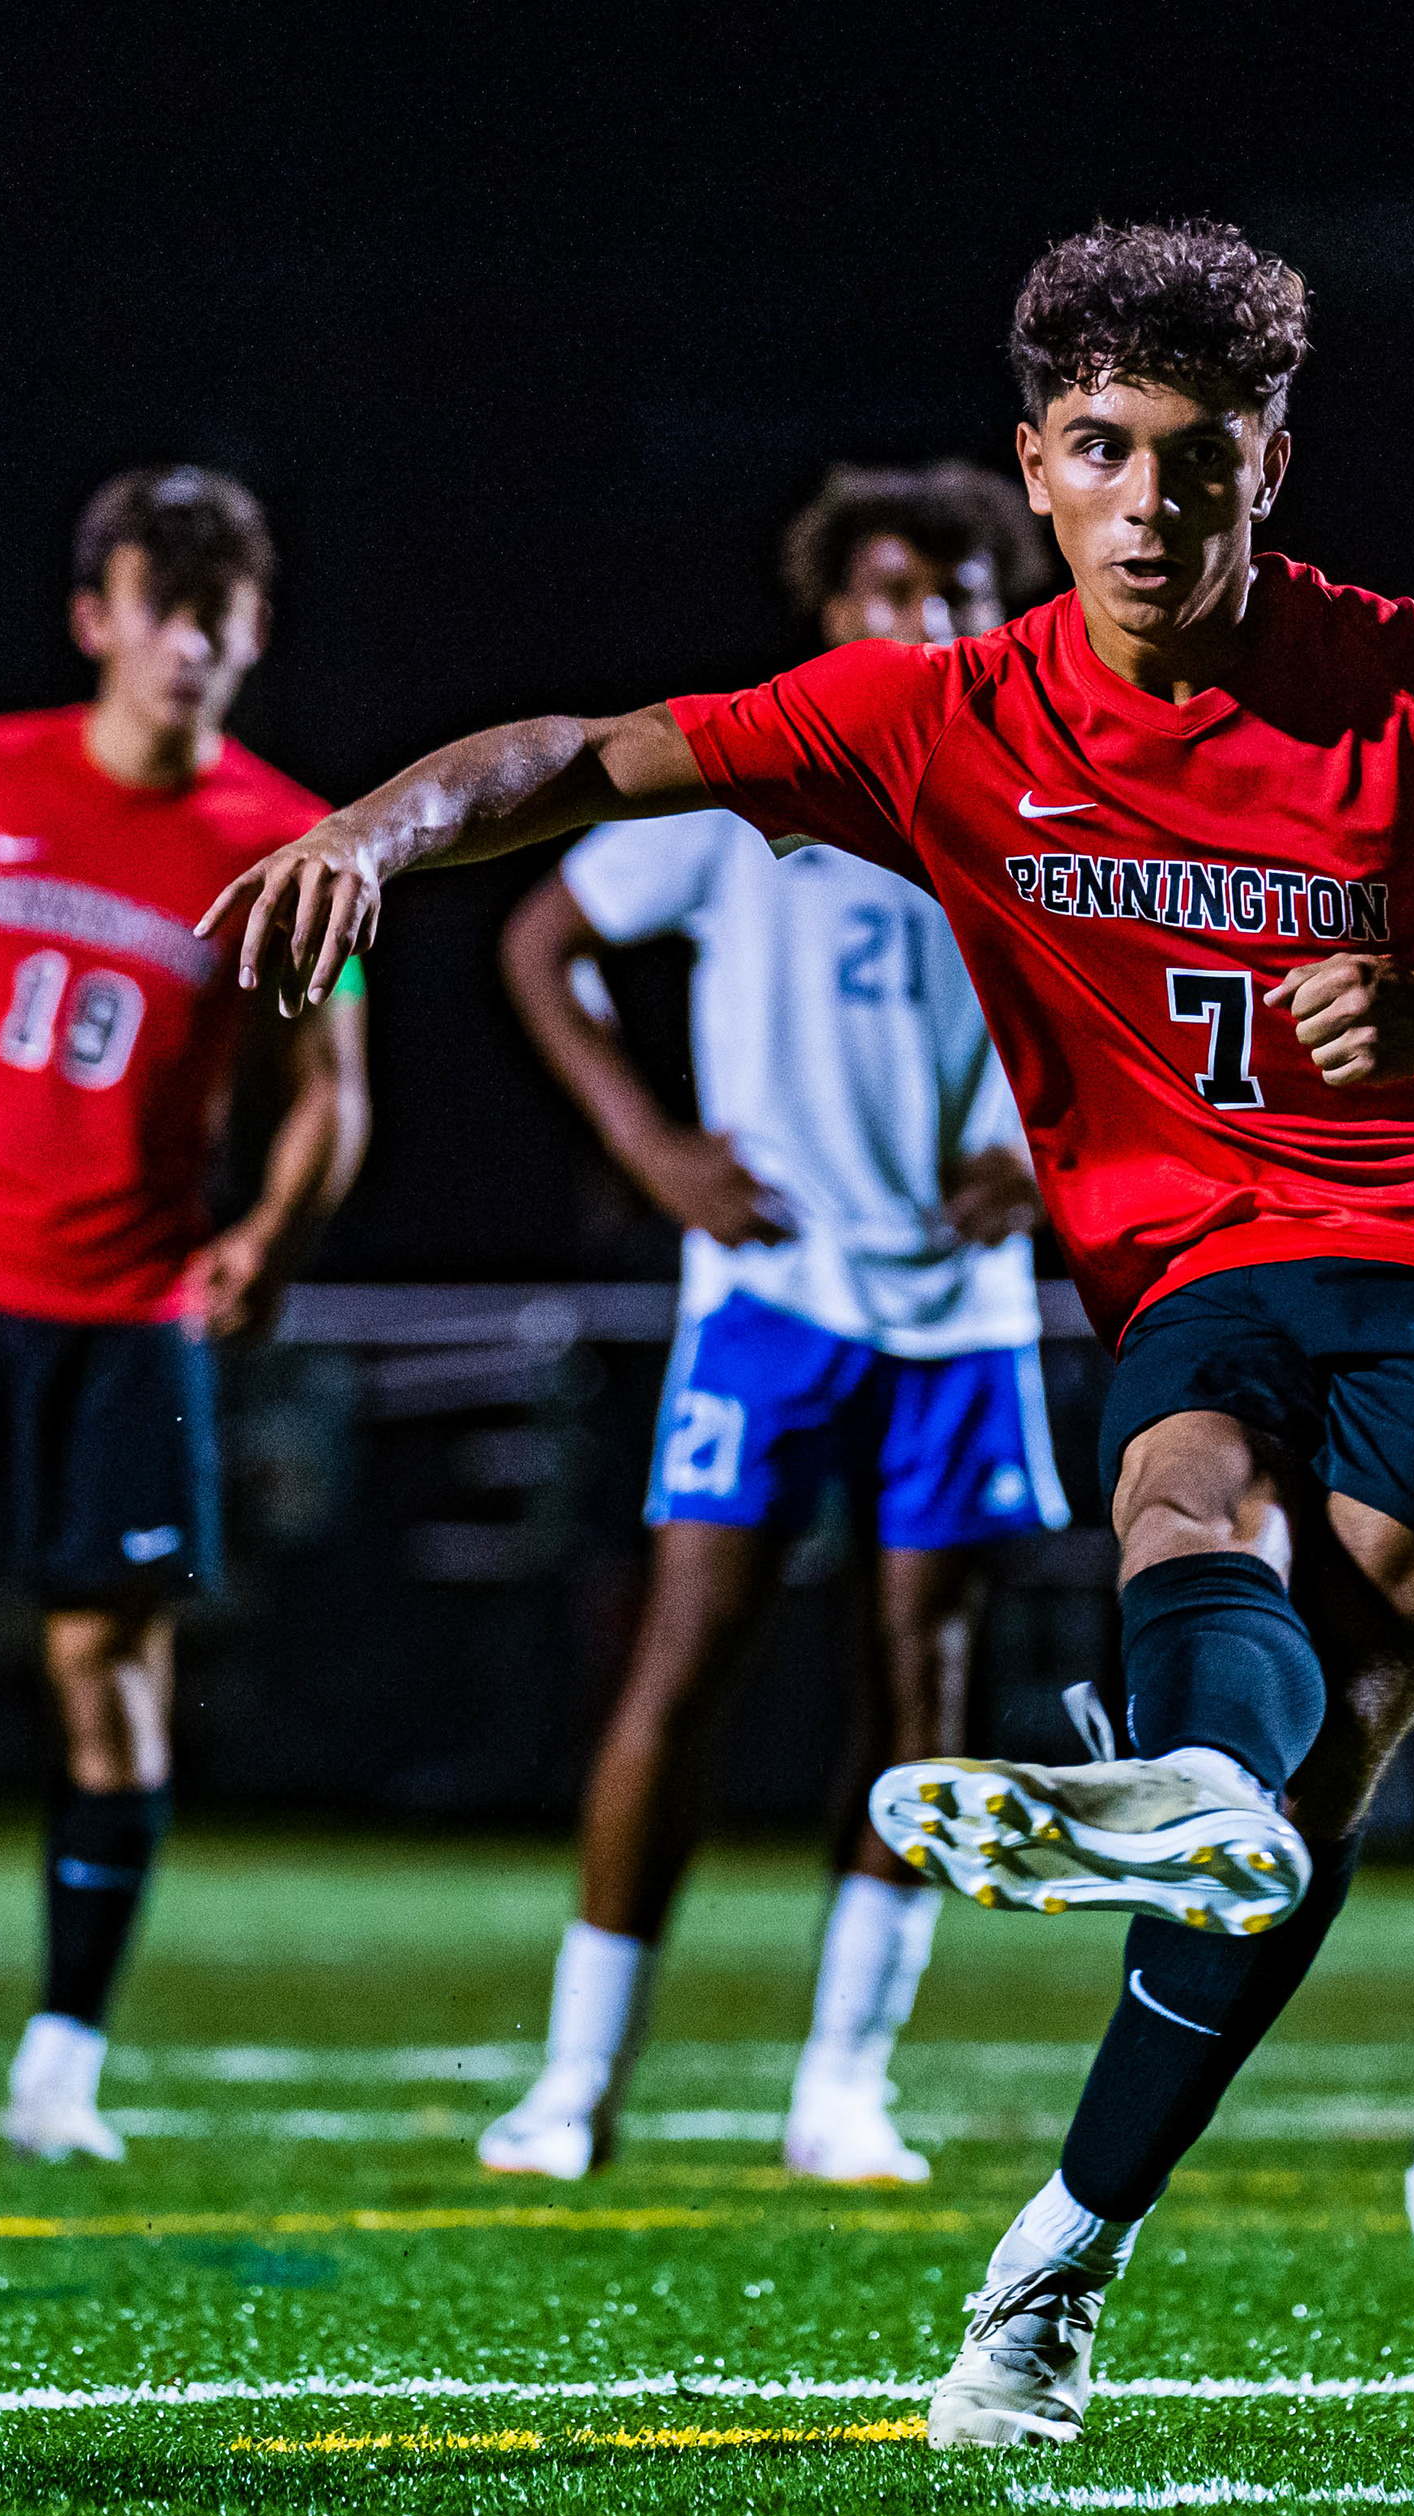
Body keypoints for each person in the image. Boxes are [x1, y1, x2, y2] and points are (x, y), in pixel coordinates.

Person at [204, 217, 1414, 2446]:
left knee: (1330, 1715)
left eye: (1202, 455)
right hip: (1211, 1262)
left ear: (1273, 464)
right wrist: (369, 831)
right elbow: (586, 759)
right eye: (1105, 449)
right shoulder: (947, 717)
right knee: (1183, 1508)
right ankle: (1172, 1827)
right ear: (1035, 468)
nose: (1154, 501)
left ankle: (1062, 2242)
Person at [0, 468, 369, 2165]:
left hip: (125, 1312)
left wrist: (276, 1232)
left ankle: (61, 2066)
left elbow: (332, 1089)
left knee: (106, 1679)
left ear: (254, 632)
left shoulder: (288, 839)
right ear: (97, 619)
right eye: (162, 609)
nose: (190, 644)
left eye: (219, 615)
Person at [479, 461, 1063, 2188]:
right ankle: (578, 2084)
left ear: (1001, 612)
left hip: (962, 1314)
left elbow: (1144, 1017)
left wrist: (1051, 1162)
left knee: (925, 1688)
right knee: (686, 1661)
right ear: (828, 614)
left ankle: (843, 2087)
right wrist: (653, 1148)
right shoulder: (752, 783)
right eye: (886, 590)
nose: (921, 620)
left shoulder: (1051, 801)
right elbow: (543, 942)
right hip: (771, 1296)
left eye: (954, 592)